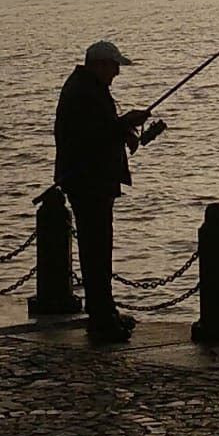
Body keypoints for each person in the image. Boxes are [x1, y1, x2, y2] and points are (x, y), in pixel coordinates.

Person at [54, 40, 150, 342]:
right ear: (99, 64)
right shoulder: (83, 93)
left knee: (98, 249)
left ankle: (104, 311)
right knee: (96, 250)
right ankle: (101, 319)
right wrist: (125, 122)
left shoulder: (87, 88)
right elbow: (92, 136)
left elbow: (99, 130)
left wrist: (124, 127)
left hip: (92, 181)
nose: (117, 73)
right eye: (114, 66)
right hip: (89, 183)